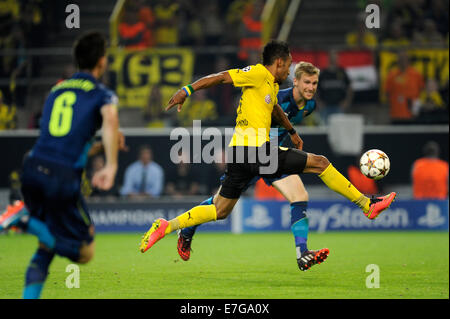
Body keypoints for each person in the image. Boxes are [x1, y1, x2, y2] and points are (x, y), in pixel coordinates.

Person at [139, 40, 396, 272]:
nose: (289, 72)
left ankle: (167, 225)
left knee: (221, 210)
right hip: (259, 152)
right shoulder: (258, 72)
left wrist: (291, 131)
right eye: (289, 66)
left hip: (241, 155)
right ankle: (367, 205)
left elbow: (273, 108)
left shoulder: (271, 85)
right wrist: (187, 90)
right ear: (279, 62)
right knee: (320, 163)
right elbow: (220, 77)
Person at [0, 32, 120, 299]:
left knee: (46, 246)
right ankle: (25, 220)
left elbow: (63, 139)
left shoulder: (56, 89)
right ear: (102, 61)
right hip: (61, 179)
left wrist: (97, 147)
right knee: (85, 251)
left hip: (33, 168)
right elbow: (110, 120)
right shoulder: (102, 94)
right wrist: (111, 165)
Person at [179, 62, 329, 269]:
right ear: (295, 82)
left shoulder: (309, 107)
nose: (311, 88)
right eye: (307, 83)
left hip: (272, 156)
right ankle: (186, 229)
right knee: (221, 208)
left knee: (298, 196)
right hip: (253, 153)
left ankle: (302, 253)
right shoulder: (278, 98)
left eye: (314, 83)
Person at [384, 50, 425, 123]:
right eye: (400, 59)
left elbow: (421, 91)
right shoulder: (392, 75)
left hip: (412, 114)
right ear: (397, 61)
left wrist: (416, 107)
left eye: (404, 59)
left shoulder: (416, 74)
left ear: (408, 60)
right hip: (396, 114)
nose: (403, 61)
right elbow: (387, 93)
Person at [316, 50, 353, 125]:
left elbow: (349, 88)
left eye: (335, 57)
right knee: (325, 128)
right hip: (325, 107)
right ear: (329, 58)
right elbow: (315, 89)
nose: (334, 59)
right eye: (332, 57)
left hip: (339, 106)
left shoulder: (342, 72)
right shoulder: (323, 73)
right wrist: (319, 102)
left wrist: (346, 101)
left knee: (339, 128)